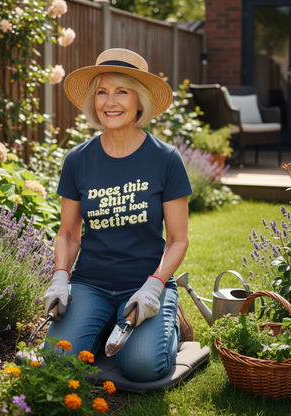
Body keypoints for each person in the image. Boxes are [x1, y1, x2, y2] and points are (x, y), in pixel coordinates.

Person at [43, 48, 192, 382]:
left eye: (122, 91)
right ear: (93, 102)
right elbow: (68, 233)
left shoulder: (165, 159)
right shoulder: (78, 159)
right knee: (57, 360)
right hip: (90, 283)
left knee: (140, 366)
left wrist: (155, 286)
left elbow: (178, 239)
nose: (110, 102)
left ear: (139, 101)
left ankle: (171, 321)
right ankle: (101, 322)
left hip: (145, 283)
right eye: (102, 92)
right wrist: (60, 277)